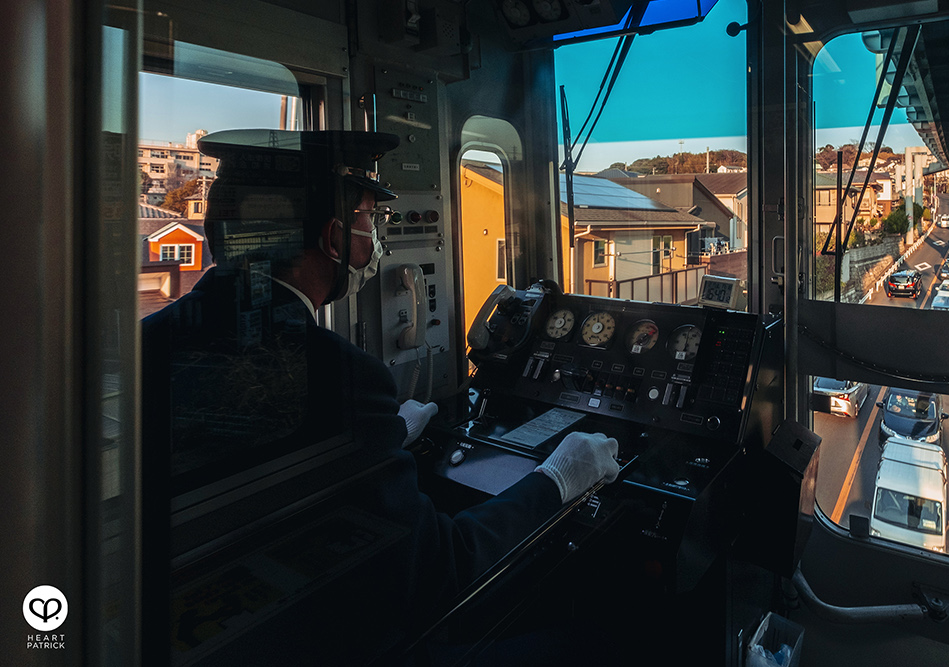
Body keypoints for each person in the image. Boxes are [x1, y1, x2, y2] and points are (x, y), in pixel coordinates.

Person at [142, 129, 619, 661]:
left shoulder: (150, 338)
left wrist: (379, 438)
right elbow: (442, 572)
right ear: (333, 239)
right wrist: (559, 478)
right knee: (588, 642)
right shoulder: (340, 374)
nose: (374, 240)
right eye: (369, 220)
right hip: (322, 637)